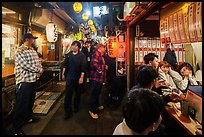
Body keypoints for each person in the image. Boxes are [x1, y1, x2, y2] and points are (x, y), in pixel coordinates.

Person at [11, 33, 44, 135]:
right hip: (24, 81)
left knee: (30, 102)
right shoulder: (20, 51)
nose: (33, 40)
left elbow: (37, 61)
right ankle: (16, 129)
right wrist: (38, 70)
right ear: (26, 39)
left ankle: (29, 118)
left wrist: (40, 69)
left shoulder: (32, 50)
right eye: (32, 39)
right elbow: (24, 65)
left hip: (32, 80)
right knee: (21, 105)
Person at [62, 40, 86, 120]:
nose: (74, 47)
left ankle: (76, 107)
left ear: (78, 47)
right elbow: (65, 65)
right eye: (73, 45)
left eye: (76, 46)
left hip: (78, 78)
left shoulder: (81, 55)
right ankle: (67, 112)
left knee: (77, 94)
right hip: (69, 78)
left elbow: (83, 67)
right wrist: (63, 73)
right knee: (68, 95)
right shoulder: (68, 55)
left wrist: (82, 77)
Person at [89, 43, 107, 119]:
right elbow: (93, 64)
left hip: (99, 78)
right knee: (94, 94)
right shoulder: (96, 53)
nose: (105, 49)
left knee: (97, 93)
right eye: (104, 47)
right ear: (100, 47)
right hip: (95, 77)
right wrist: (102, 68)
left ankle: (96, 106)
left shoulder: (100, 54)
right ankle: (92, 110)